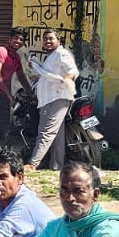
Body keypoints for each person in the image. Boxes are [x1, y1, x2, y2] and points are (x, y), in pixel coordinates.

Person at [27, 30, 78, 171]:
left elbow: (72, 70)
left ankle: (33, 164)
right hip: (50, 99)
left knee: (46, 132)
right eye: (45, 39)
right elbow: (47, 74)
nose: (47, 41)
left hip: (57, 98)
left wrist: (69, 77)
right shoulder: (51, 57)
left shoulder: (62, 54)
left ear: (59, 41)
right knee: (56, 135)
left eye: (51, 38)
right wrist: (35, 65)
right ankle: (56, 166)